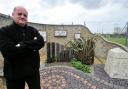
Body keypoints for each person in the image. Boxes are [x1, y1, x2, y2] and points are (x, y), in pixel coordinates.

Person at [0, 6, 45, 89]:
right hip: (14, 73)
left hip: (33, 72)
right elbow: (7, 51)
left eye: (25, 15)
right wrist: (32, 47)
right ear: (12, 15)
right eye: (19, 14)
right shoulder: (4, 31)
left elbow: (41, 42)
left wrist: (21, 44)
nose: (22, 16)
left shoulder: (32, 30)